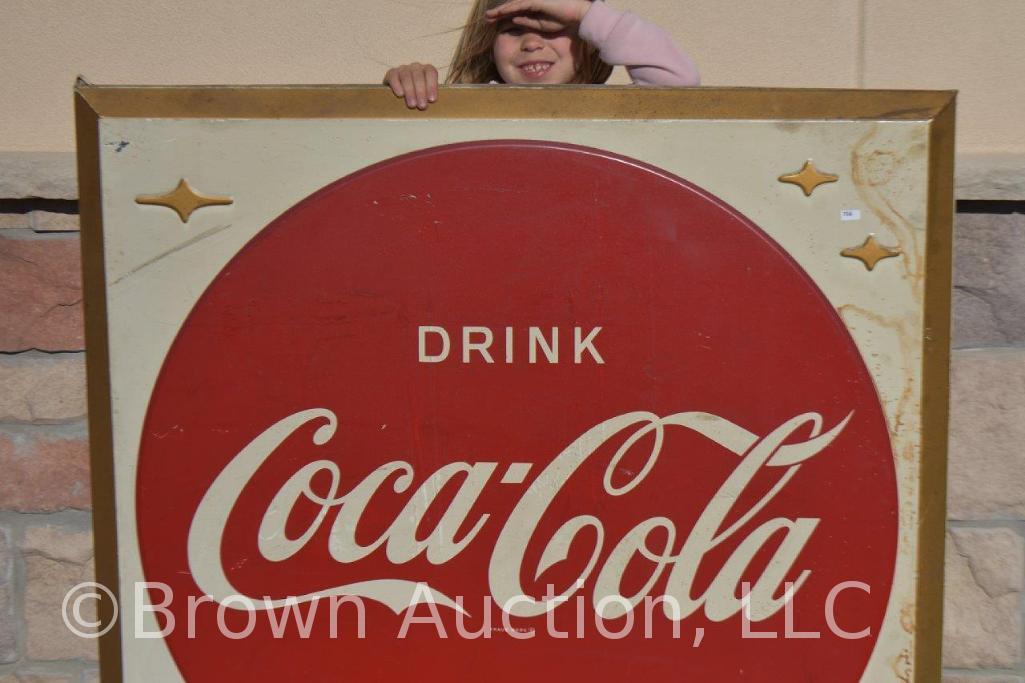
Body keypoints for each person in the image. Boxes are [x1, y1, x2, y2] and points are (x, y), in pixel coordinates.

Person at [384, 0, 700, 110]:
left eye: (554, 27)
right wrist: (406, 90)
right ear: (488, 44)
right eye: (514, 30)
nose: (533, 43)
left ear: (589, 38)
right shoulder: (467, 109)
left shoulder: (612, 111)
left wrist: (583, 12)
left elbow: (680, 86)